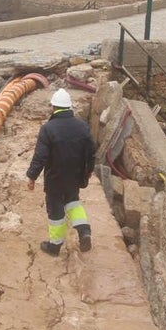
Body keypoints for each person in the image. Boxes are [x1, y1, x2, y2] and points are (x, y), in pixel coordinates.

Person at [25, 88, 96, 256]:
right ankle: (84, 230)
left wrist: (31, 176)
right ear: (69, 107)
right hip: (75, 175)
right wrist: (88, 171)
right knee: (73, 201)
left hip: (55, 177)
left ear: (53, 107)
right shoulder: (82, 126)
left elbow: (40, 156)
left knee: (55, 208)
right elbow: (91, 151)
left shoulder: (48, 128)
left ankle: (54, 246)